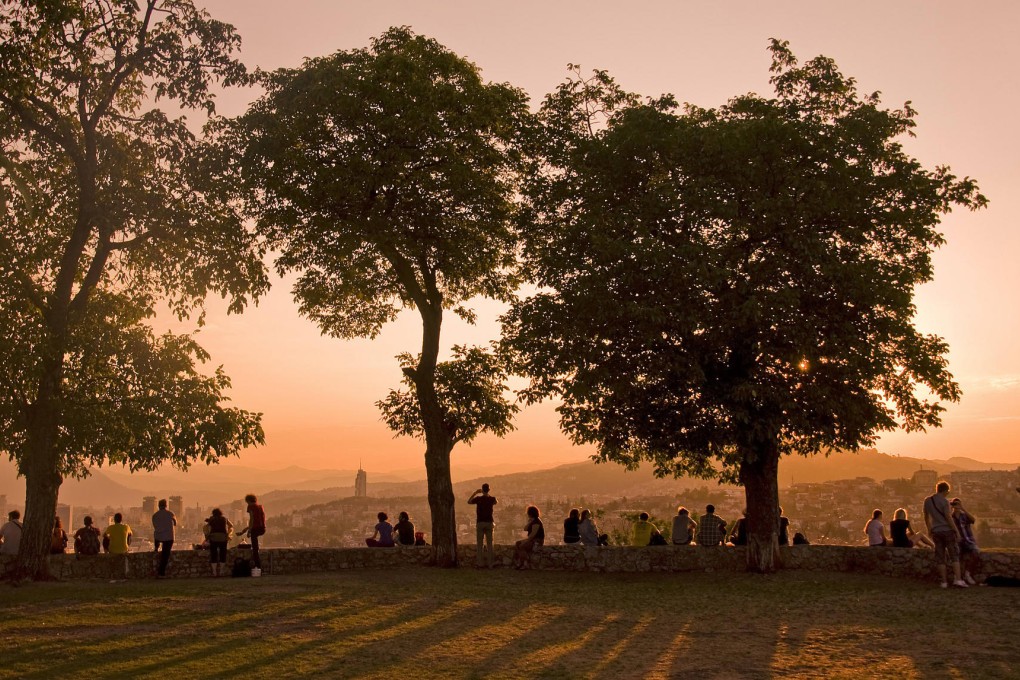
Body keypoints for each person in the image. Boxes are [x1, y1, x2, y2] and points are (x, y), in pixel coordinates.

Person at [923, 481, 968, 588]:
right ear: (945, 491)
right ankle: (958, 580)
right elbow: (948, 517)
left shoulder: (928, 501)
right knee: (954, 555)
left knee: (940, 557)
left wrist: (929, 529)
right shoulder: (945, 502)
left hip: (936, 531)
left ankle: (943, 582)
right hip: (947, 531)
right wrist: (956, 531)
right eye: (948, 491)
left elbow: (926, 516)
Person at [468, 483, 497, 568]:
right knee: (490, 544)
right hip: (489, 522)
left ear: (482, 489)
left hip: (480, 522)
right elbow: (496, 502)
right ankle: (490, 564)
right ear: (489, 489)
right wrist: (488, 494)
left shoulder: (478, 499)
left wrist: (475, 493)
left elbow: (469, 501)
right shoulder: (492, 499)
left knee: (479, 544)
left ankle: (480, 563)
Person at [951, 497, 980, 585]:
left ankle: (968, 574)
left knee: (976, 553)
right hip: (958, 541)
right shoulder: (951, 517)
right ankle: (958, 577)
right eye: (954, 504)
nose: (956, 506)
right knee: (957, 558)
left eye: (958, 504)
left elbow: (973, 520)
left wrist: (963, 509)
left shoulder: (964, 516)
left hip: (968, 540)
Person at [235, 493, 266, 570]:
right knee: (255, 546)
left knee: (255, 548)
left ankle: (257, 566)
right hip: (262, 528)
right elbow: (256, 522)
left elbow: (252, 519)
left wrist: (249, 531)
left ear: (248, 501)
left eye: (247, 502)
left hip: (255, 529)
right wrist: (244, 531)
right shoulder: (260, 507)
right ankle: (257, 564)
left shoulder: (251, 506)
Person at [151, 498, 177, 577]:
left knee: (157, 536)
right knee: (165, 555)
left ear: (158, 506)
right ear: (166, 506)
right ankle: (161, 573)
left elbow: (155, 526)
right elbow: (175, 523)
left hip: (158, 536)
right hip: (169, 537)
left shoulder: (155, 515)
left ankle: (156, 547)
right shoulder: (171, 514)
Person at [513, 505, 544, 569]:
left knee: (522, 546)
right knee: (517, 543)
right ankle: (523, 562)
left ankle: (525, 561)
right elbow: (525, 528)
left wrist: (525, 541)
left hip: (537, 541)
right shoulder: (532, 521)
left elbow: (532, 535)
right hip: (533, 540)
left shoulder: (536, 522)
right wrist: (529, 522)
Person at [205, 508, 233, 576]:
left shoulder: (212, 519)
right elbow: (231, 525)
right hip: (223, 538)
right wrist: (228, 534)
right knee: (222, 554)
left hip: (213, 538)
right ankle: (221, 571)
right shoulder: (224, 518)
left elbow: (207, 527)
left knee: (213, 554)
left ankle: (214, 572)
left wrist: (207, 536)